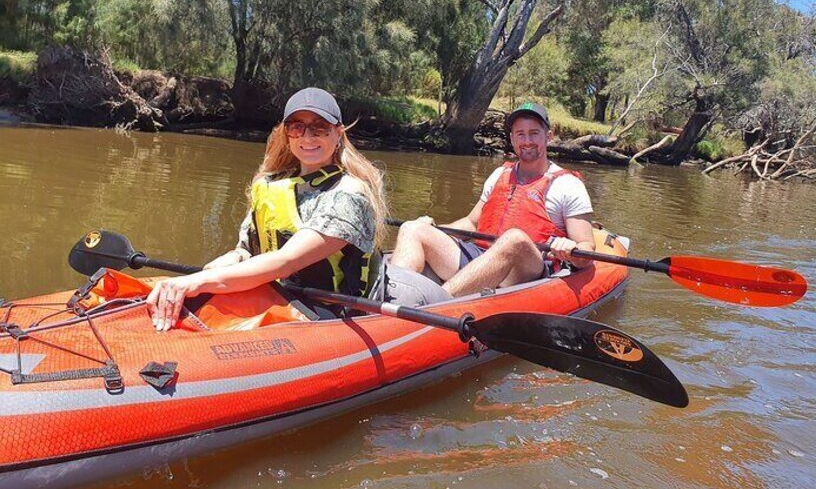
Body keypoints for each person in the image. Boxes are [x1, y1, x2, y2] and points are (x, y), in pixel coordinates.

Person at [147, 87, 388, 330]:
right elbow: (249, 250)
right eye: (297, 127)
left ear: (337, 134)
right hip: (279, 296)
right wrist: (222, 264)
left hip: (328, 310)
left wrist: (200, 281)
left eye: (319, 128)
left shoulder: (349, 193)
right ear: (287, 134)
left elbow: (287, 260)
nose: (307, 137)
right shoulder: (270, 185)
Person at [391, 102, 595, 297]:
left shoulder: (568, 185)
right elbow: (471, 223)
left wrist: (570, 249)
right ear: (512, 139)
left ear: (548, 137)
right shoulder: (499, 174)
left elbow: (586, 247)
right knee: (412, 228)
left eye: (534, 133)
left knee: (514, 238)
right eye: (520, 134)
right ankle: (392, 296)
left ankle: (440, 301)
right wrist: (436, 230)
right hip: (480, 256)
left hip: (524, 272)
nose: (527, 141)